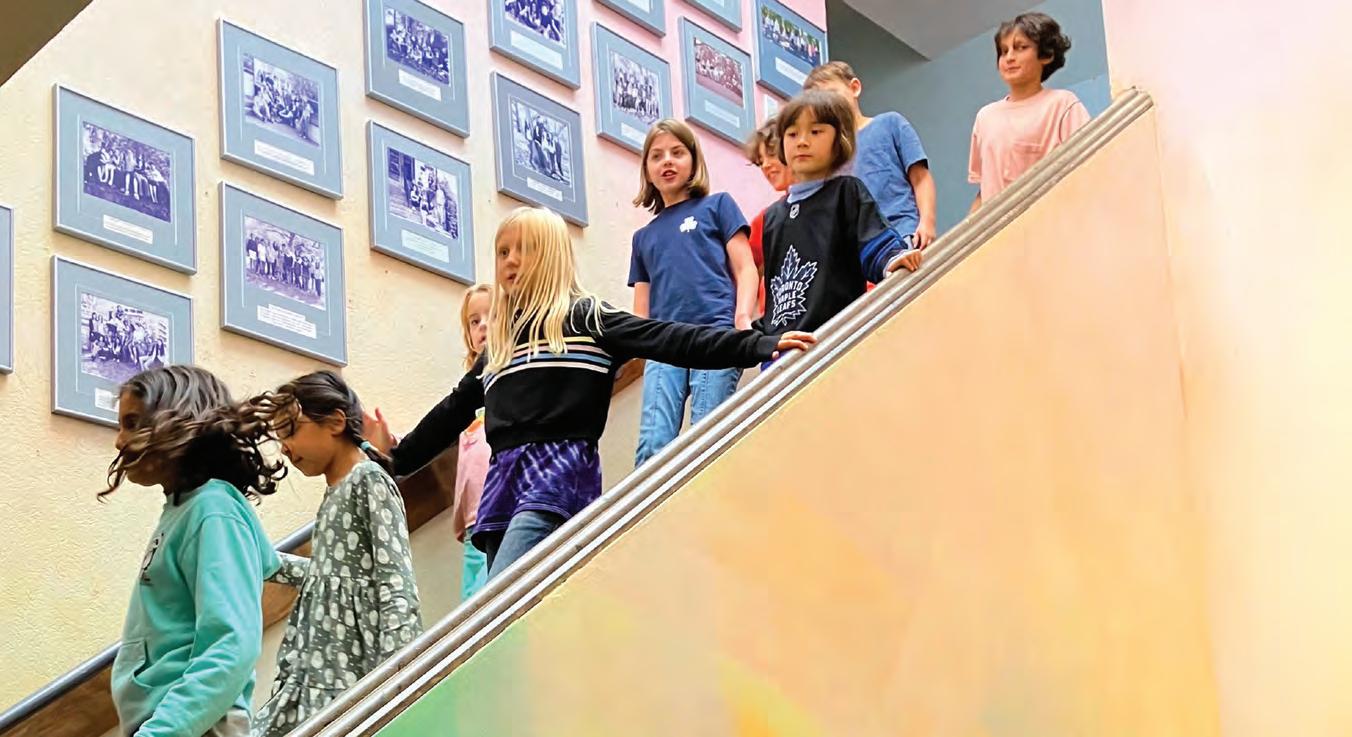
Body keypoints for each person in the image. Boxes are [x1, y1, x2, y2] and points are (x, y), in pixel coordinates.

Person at [365, 206, 815, 579]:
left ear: (552, 256)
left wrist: (758, 343)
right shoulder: (498, 347)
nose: (510, 261)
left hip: (558, 475)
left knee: (497, 600)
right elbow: (451, 411)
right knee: (515, 620)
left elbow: (672, 338)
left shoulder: (586, 319)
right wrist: (395, 458)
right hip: (503, 482)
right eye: (503, 252)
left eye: (525, 249)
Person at [106, 365, 282, 737]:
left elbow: (231, 645)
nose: (120, 441)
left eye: (132, 424)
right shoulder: (183, 511)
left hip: (193, 726)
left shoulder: (212, 511)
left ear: (180, 420)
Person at [247, 371, 422, 737]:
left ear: (336, 422)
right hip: (317, 668)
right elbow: (330, 577)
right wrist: (265, 561)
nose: (285, 449)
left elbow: (396, 583)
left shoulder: (369, 480)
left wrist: (397, 678)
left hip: (350, 676)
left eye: (290, 431)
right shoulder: (336, 492)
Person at [629, 119, 759, 467]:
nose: (667, 161)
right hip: (664, 347)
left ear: (693, 159)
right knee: (653, 445)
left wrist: (742, 317)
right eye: (657, 156)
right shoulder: (643, 238)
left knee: (707, 435)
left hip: (715, 335)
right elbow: (641, 310)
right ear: (647, 170)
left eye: (677, 152)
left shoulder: (717, 206)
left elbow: (745, 267)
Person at [759, 90, 923, 345]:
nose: (802, 141)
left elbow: (874, 242)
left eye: (815, 132)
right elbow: (774, 286)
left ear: (839, 140)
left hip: (833, 336)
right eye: (792, 134)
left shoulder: (846, 192)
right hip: (784, 346)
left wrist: (892, 258)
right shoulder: (772, 217)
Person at [803, 61, 938, 250]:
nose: (828, 105)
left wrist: (927, 223)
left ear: (854, 88)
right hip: (857, 253)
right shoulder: (827, 157)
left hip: (901, 235)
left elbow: (921, 178)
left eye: (832, 94)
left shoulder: (890, 124)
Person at [969, 12, 1089, 212]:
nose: (1009, 57)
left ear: (1046, 55)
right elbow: (985, 188)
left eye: (1021, 48)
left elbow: (1087, 168)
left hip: (1046, 220)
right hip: (996, 227)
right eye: (1004, 51)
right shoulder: (985, 116)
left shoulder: (1062, 105)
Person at [743, 117, 794, 316]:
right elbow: (739, 269)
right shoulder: (765, 220)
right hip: (777, 321)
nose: (765, 165)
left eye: (771, 154)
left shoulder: (838, 197)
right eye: (760, 161)